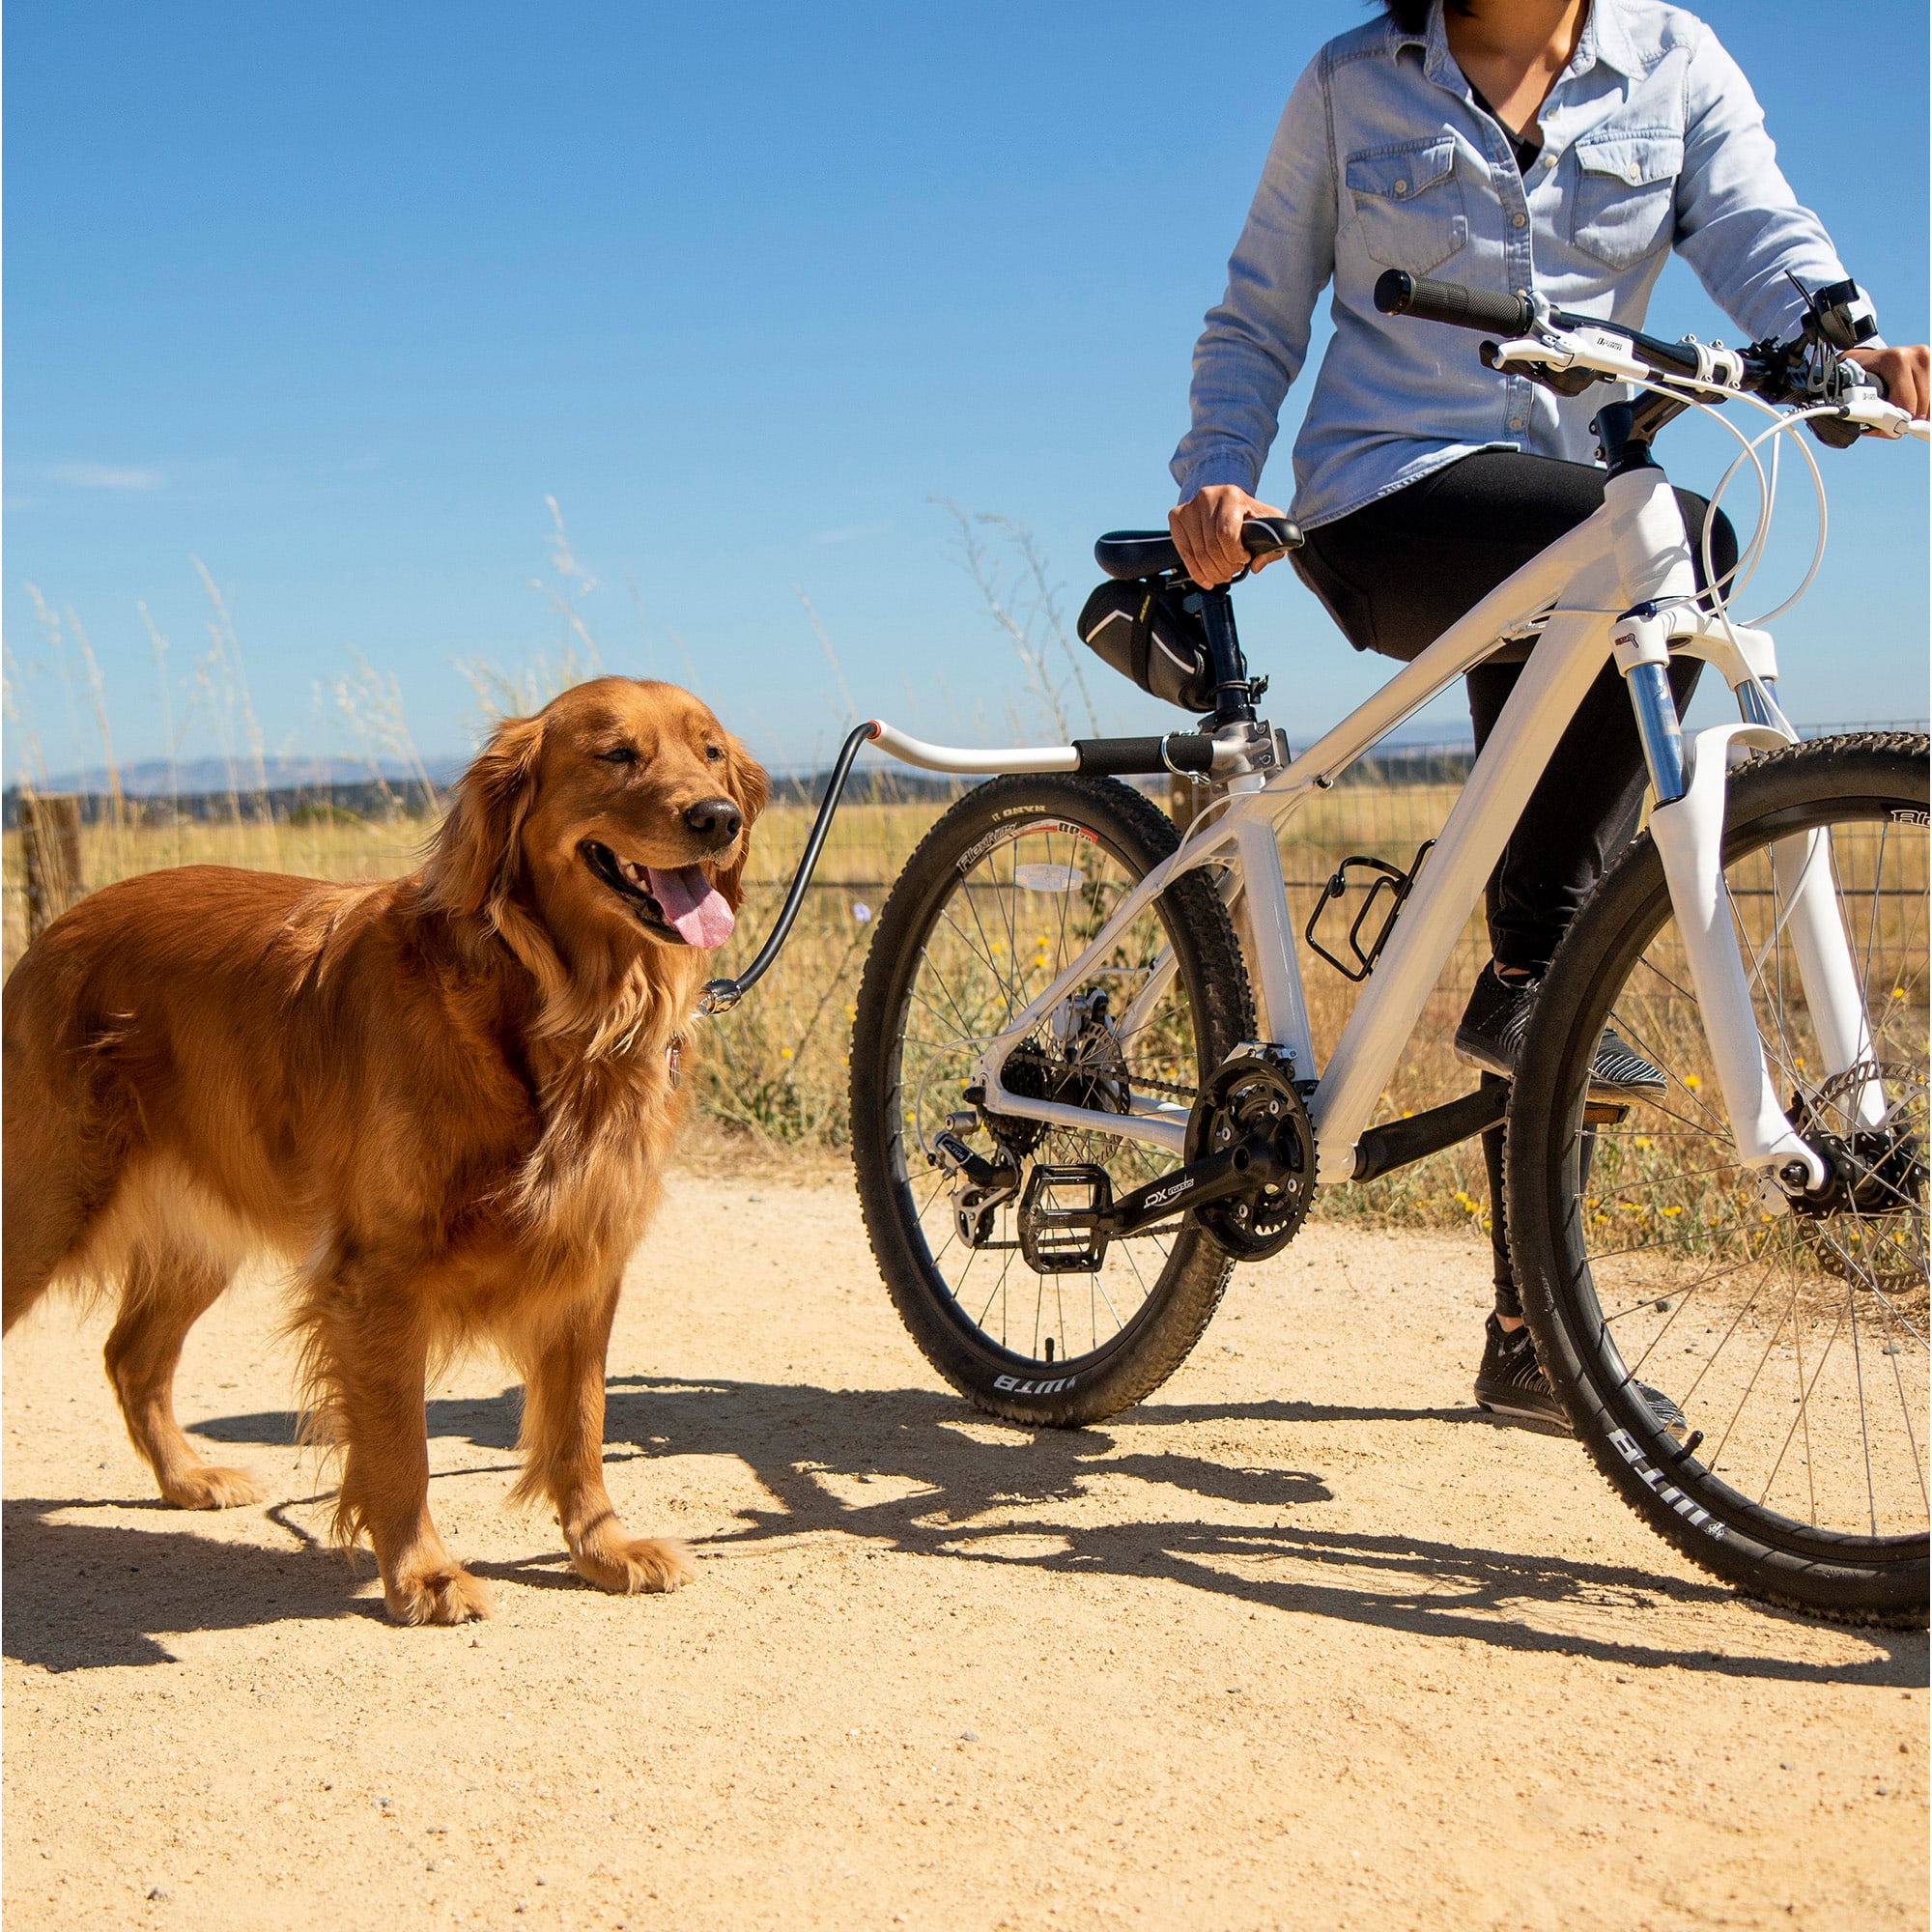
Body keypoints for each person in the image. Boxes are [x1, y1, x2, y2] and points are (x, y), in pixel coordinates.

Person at [1165, 0, 1931, 1427]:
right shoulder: (1351, 83)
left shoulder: (1673, 60)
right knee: (1672, 539)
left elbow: (1760, 225)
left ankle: (1532, 1331)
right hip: (1391, 497)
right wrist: (1219, 470)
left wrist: (1842, 339)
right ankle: (1528, 989)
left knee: (1566, 895)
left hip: (1584, 516)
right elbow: (1260, 306)